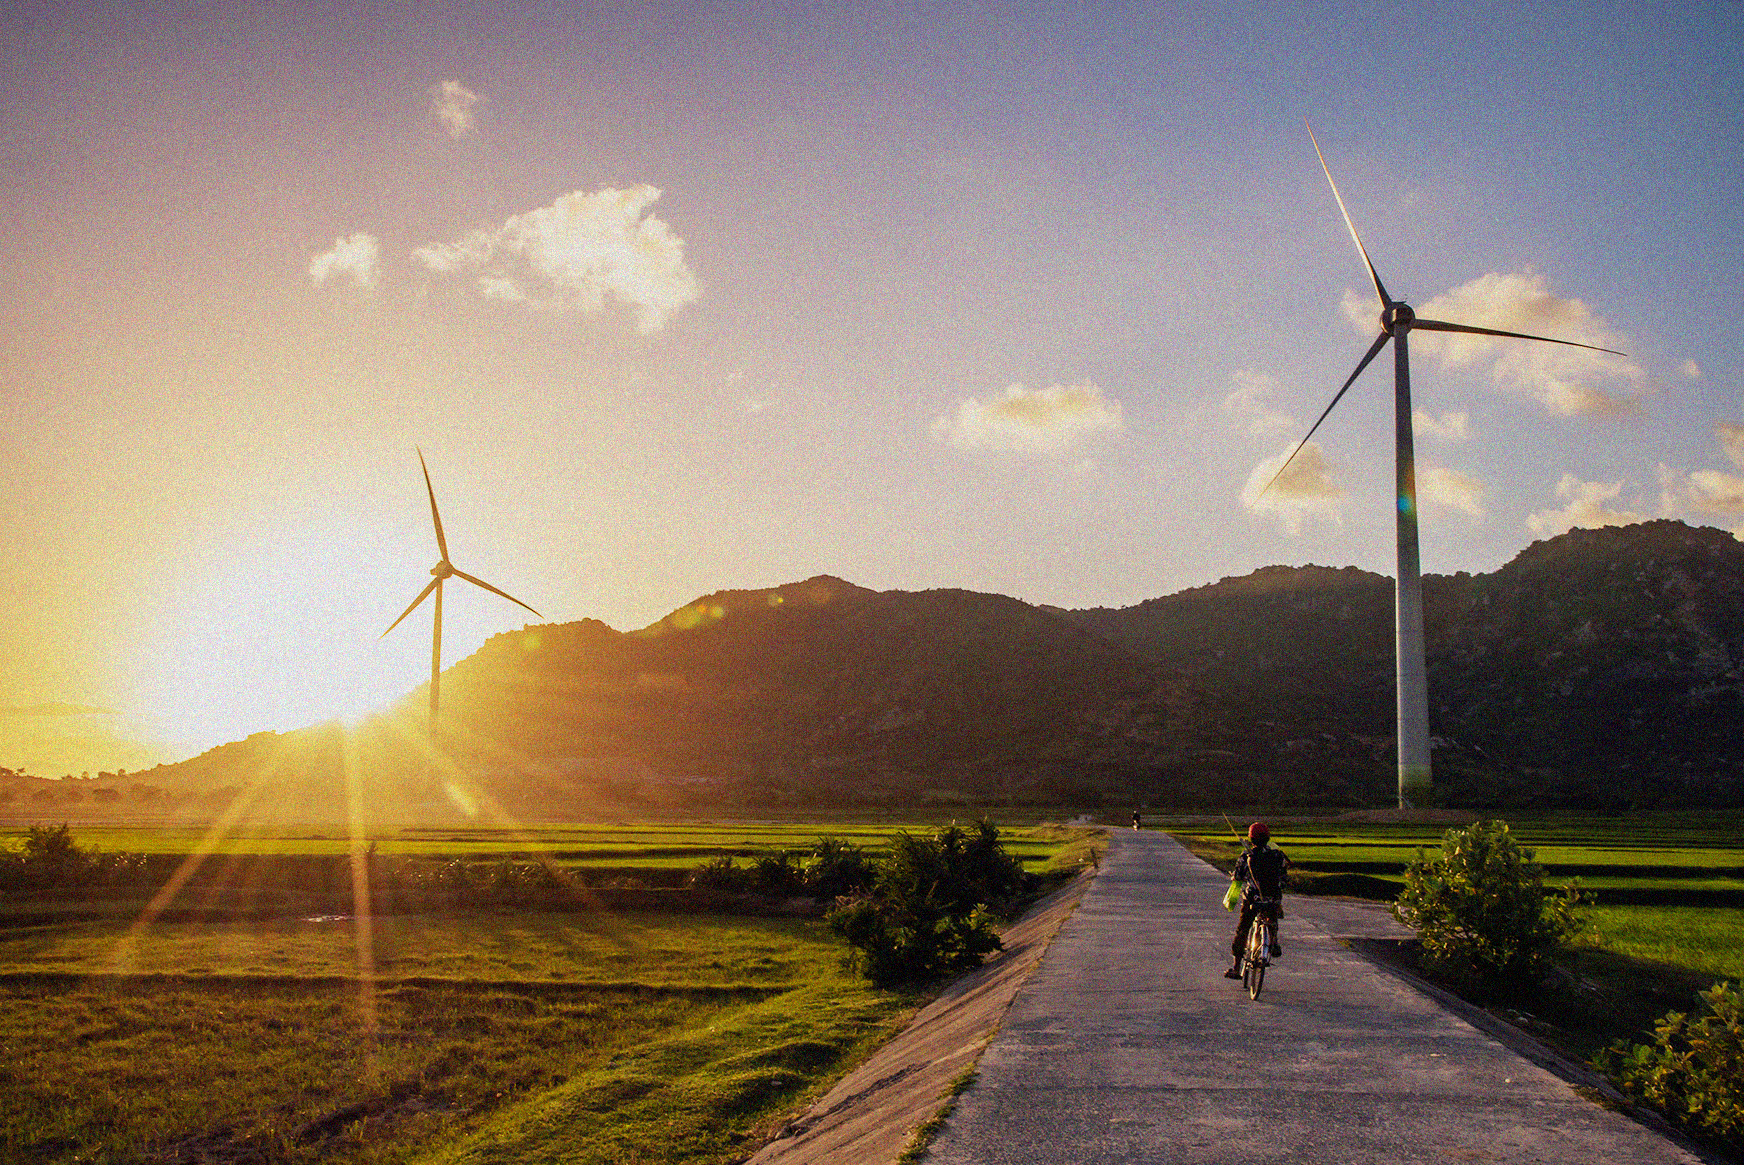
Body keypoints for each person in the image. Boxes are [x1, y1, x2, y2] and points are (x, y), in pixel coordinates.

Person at [1224, 821, 1290, 979]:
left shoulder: (1246, 856)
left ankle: (1236, 967)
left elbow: (1238, 877)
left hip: (1252, 899)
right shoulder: (1278, 855)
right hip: (1272, 898)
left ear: (1251, 838)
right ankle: (1273, 942)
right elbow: (1285, 878)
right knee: (1271, 917)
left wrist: (1235, 876)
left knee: (1243, 929)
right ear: (1268, 838)